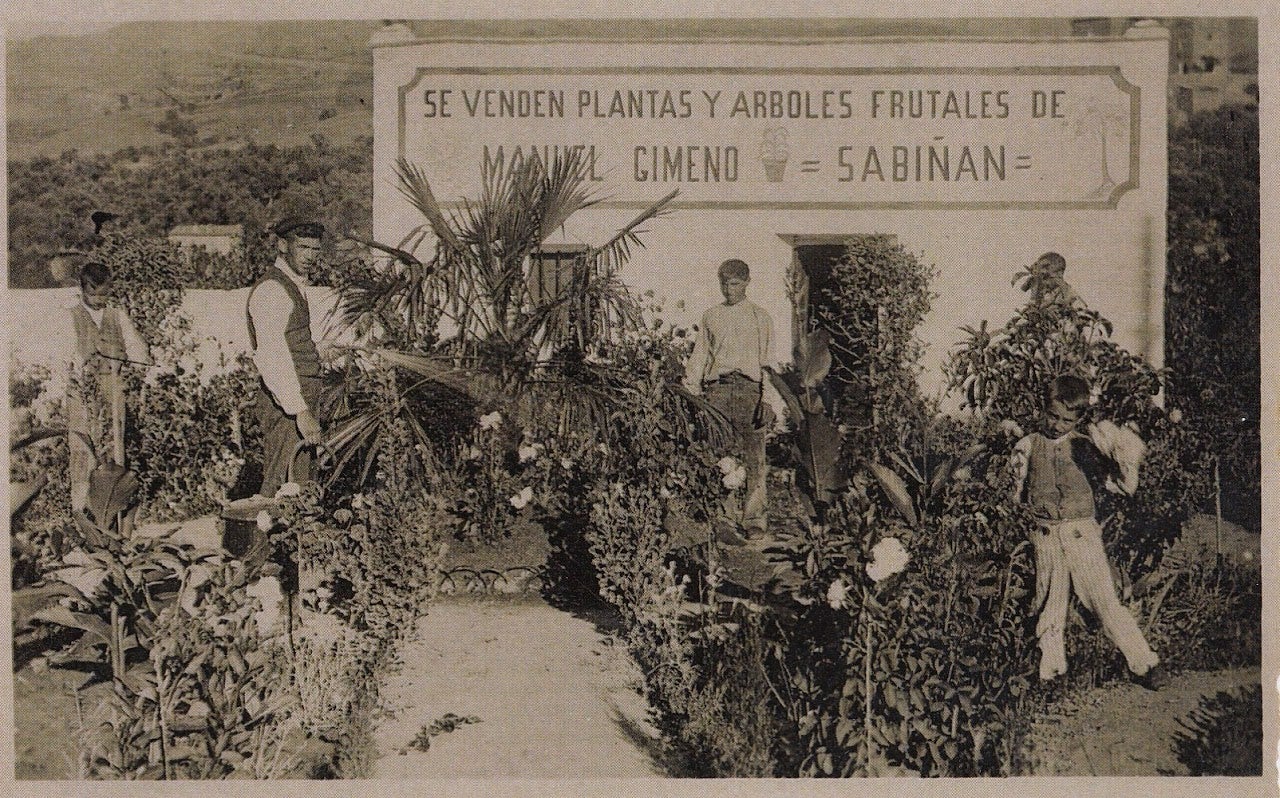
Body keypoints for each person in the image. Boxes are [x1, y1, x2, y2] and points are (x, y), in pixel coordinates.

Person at [1010, 374, 1162, 689]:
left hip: (1082, 533)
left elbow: (1122, 486)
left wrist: (1125, 459)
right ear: (1043, 409)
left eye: (1066, 420)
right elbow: (1015, 491)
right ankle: (1051, 673)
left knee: (1103, 599)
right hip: (1046, 533)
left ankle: (1143, 663)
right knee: (1049, 603)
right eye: (1052, 416)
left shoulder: (1085, 448)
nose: (1057, 424)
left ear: (1079, 419)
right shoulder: (1027, 445)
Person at [683, 258, 774, 542]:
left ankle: (754, 519)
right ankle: (721, 518)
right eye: (724, 283)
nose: (728, 289)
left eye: (734, 283)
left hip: (749, 390)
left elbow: (768, 362)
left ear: (747, 282)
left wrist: (767, 400)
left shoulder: (761, 317)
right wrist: (692, 391)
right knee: (718, 455)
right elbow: (701, 355)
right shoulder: (711, 316)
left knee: (754, 455)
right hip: (718, 391)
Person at [245, 218, 326, 502]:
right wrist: (300, 410)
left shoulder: (292, 286)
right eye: (302, 247)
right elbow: (272, 355)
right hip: (287, 406)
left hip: (300, 399)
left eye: (315, 250)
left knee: (299, 485)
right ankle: (261, 544)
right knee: (282, 486)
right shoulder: (273, 290)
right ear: (282, 246)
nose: (309, 256)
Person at [65, 260, 152, 514]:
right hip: (81, 395)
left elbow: (139, 350)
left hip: (112, 391)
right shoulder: (70, 316)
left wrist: (136, 361)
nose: (100, 300)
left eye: (105, 294)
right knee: (83, 453)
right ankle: (81, 512)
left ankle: (112, 513)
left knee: (114, 451)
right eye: (94, 295)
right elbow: (67, 356)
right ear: (83, 290)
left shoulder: (117, 315)